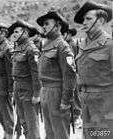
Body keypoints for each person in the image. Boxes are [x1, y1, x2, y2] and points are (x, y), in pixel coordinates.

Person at [74, 1, 113, 139]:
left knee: (104, 136)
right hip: (86, 102)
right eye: (84, 19)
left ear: (101, 20)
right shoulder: (82, 44)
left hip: (104, 105)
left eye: (88, 18)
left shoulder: (109, 45)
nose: (84, 22)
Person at [36, 11, 77, 139]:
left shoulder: (63, 47)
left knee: (60, 132)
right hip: (45, 91)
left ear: (58, 26)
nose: (44, 27)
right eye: (43, 24)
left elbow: (69, 76)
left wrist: (66, 100)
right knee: (49, 131)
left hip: (57, 92)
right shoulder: (46, 46)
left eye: (47, 24)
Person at [8, 19, 41, 139]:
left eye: (17, 32)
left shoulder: (31, 49)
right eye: (13, 32)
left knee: (31, 123)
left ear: (25, 33)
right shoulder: (18, 48)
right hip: (18, 88)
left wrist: (37, 94)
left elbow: (37, 74)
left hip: (28, 89)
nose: (14, 34)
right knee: (23, 121)